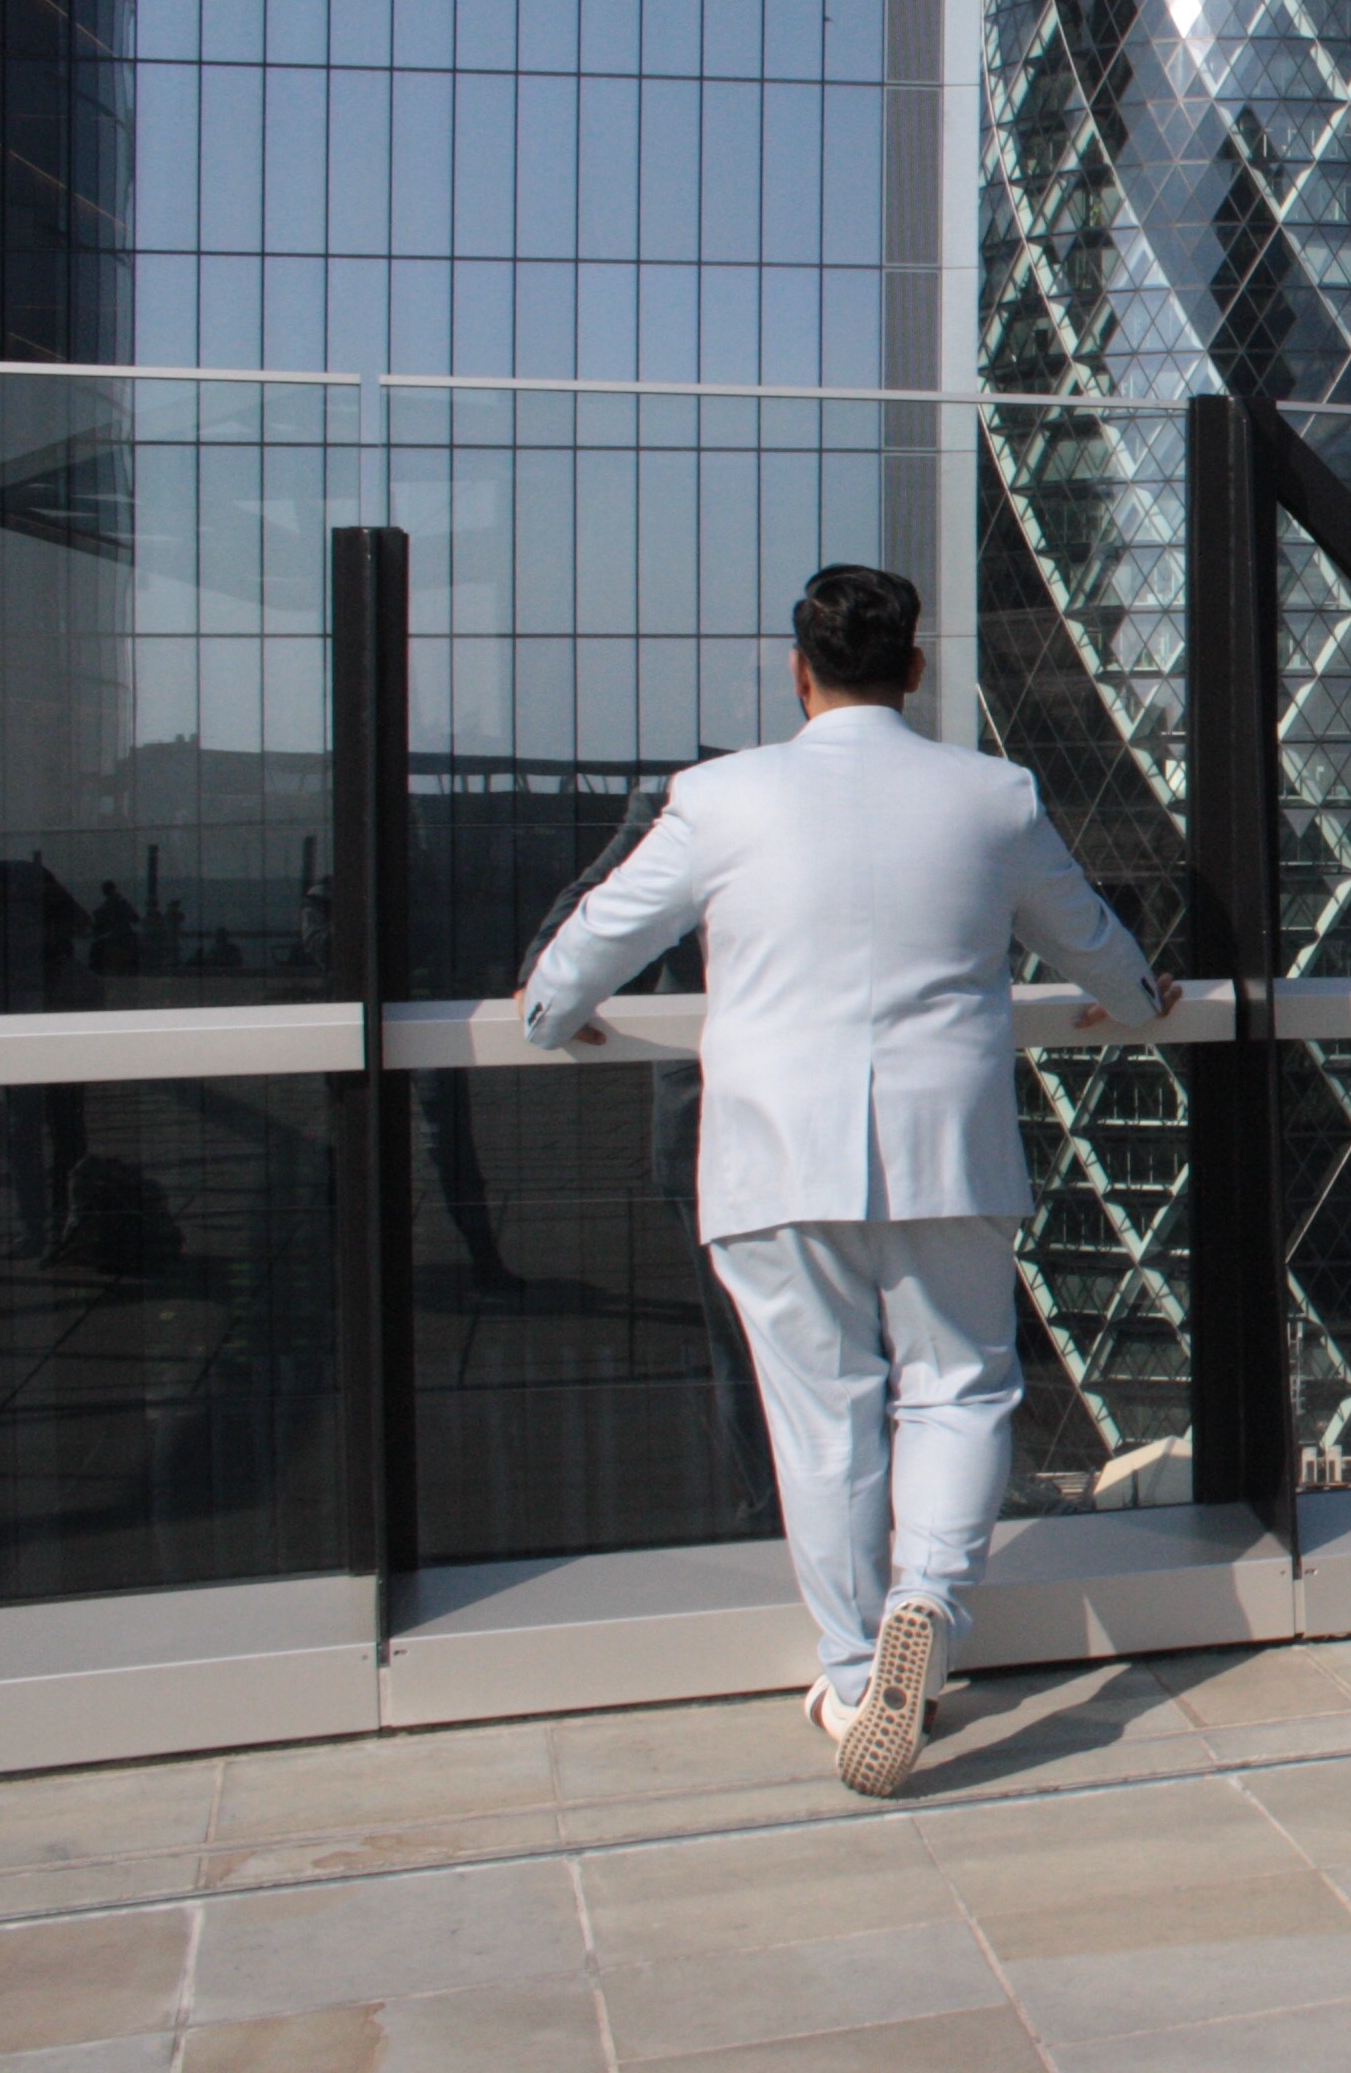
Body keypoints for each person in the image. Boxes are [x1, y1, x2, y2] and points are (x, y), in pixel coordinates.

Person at [518, 564, 1174, 1795]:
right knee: (959, 1389)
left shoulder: (720, 798)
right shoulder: (991, 794)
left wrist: (552, 1013)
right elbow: (1094, 944)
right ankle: (929, 1601)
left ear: (796, 670)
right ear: (914, 669)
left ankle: (854, 1669)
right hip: (946, 1150)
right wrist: (1138, 1003)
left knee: (822, 1416)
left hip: (774, 1154)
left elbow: (595, 940)